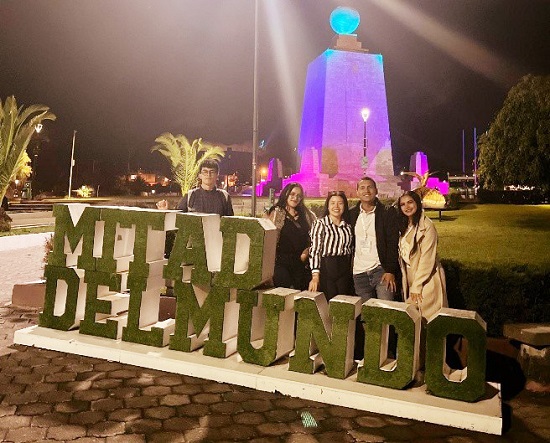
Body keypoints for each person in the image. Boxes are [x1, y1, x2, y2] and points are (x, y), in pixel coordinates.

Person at [397, 191, 447, 320]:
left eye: (410, 202)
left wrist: (417, 285)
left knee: (426, 317)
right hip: (409, 276)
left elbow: (427, 259)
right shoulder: (405, 225)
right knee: (414, 318)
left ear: (417, 203)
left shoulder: (427, 226)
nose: (407, 207)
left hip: (427, 279)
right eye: (403, 204)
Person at [349, 177, 400, 301]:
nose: (366, 190)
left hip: (381, 271)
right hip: (359, 273)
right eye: (362, 188)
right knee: (367, 316)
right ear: (357, 192)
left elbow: (393, 242)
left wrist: (390, 270)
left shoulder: (387, 213)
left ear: (376, 190)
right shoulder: (351, 214)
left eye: (370, 187)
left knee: (385, 311)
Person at [265, 182, 316, 290]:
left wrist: (307, 251)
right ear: (286, 194)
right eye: (292, 194)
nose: (295, 198)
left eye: (298, 196)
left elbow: (314, 238)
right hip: (281, 263)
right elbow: (268, 239)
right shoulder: (276, 213)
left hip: (301, 264)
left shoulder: (307, 215)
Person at [308, 191, 354, 300]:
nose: (336, 206)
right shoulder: (321, 224)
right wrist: (315, 276)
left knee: (343, 303)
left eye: (340, 203)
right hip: (327, 268)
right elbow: (315, 250)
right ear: (328, 206)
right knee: (329, 303)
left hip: (344, 268)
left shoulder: (348, 226)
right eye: (332, 203)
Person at [156, 159, 234, 216]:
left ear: (217, 175)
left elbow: (230, 223)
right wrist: (165, 211)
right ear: (200, 175)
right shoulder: (190, 195)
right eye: (205, 172)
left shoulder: (224, 196)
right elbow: (177, 218)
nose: (208, 175)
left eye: (212, 172)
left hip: (217, 238)